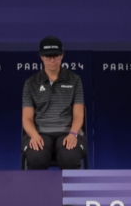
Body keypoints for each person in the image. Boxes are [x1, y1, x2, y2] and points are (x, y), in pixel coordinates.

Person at [22, 36, 87, 169]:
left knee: (69, 158)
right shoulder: (30, 83)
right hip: (40, 133)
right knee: (36, 157)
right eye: (48, 56)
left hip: (68, 132)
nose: (52, 60)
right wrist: (34, 136)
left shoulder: (74, 80)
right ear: (41, 57)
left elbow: (79, 115)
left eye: (55, 56)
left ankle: (69, 190)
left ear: (62, 55)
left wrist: (73, 134)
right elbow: (27, 118)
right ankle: (38, 191)